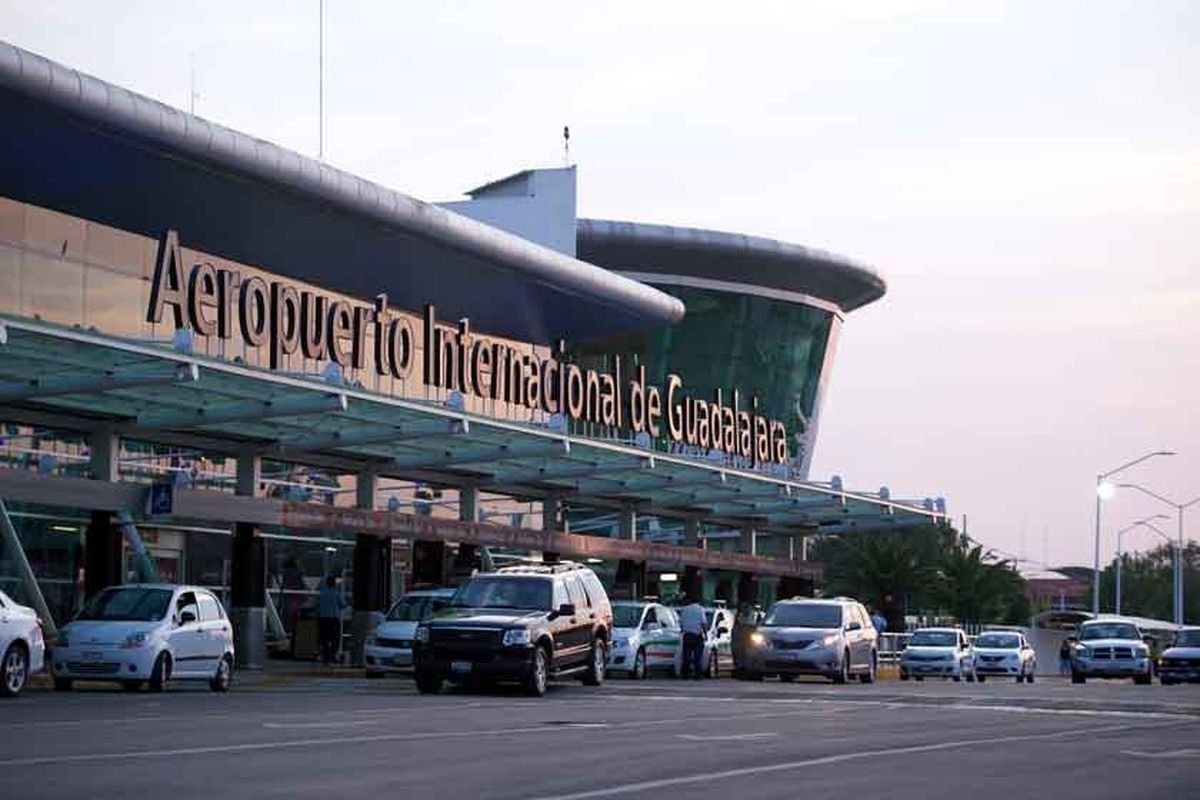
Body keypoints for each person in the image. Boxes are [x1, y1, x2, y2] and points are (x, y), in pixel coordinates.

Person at [318, 573, 345, 666]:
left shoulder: (322, 592)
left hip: (322, 619)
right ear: (334, 583)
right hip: (333, 618)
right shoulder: (336, 593)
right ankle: (333, 657)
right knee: (334, 639)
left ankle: (325, 658)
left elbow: (316, 604)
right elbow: (342, 604)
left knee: (324, 638)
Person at [678, 594, 707, 680]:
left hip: (687, 635)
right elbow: (703, 623)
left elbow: (681, 623)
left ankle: (685, 674)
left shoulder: (684, 609)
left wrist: (683, 630)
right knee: (697, 656)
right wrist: (705, 634)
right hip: (697, 635)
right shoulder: (700, 609)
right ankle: (697, 675)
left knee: (686, 655)